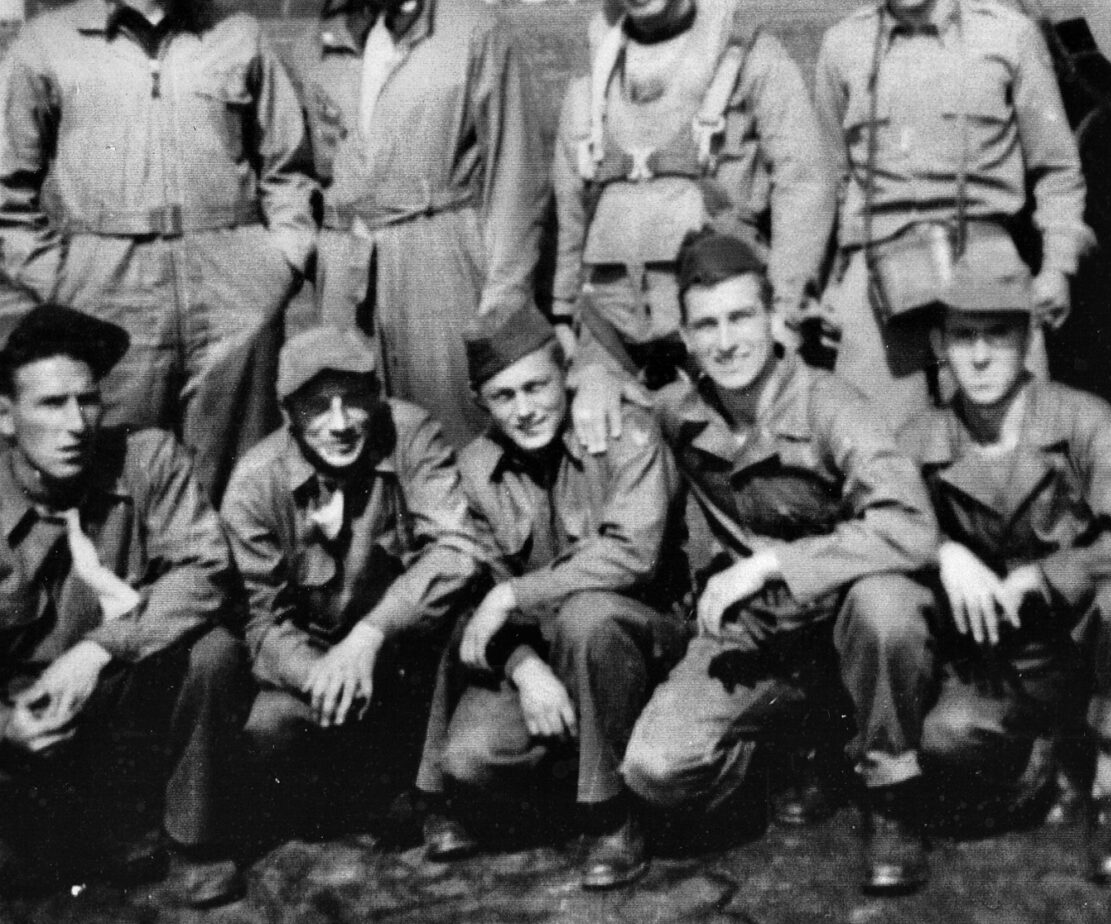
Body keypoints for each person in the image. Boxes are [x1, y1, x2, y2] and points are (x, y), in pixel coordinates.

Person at [609, 230, 940, 893]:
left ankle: (892, 798)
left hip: (841, 625)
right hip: (755, 639)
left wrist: (773, 564)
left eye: (740, 317)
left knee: (888, 607)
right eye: (707, 325)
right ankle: (795, 748)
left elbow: (912, 526)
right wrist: (595, 376)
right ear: (688, 339)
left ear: (772, 318)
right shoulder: (679, 415)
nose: (726, 341)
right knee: (654, 768)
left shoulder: (830, 405)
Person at [1, 0, 316, 502]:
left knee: (240, 478)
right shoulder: (48, 42)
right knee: (122, 475)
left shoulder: (239, 35)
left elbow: (289, 165)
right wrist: (58, 278)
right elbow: (9, 188)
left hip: (232, 282)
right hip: (105, 287)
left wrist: (278, 264)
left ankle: (241, 604)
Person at [897, 231, 1111, 884]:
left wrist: (1046, 575)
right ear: (940, 345)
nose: (979, 355)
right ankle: (1049, 751)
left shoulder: (1087, 423)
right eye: (963, 335)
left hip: (1085, 640)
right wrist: (942, 550)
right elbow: (871, 528)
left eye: (997, 334)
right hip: (997, 661)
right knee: (947, 739)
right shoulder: (919, 440)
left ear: (1027, 337)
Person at [414, 302, 690, 889]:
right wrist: (523, 665)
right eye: (504, 396)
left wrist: (517, 593)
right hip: (552, 654)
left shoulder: (624, 431)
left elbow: (633, 556)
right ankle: (589, 761)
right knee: (470, 760)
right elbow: (476, 595)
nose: (526, 409)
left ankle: (612, 816)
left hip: (648, 640)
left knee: (590, 617)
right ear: (481, 404)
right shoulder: (477, 471)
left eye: (537, 386)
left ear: (564, 376)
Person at [812, 0, 1092, 429]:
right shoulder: (842, 47)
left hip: (986, 257)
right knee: (874, 455)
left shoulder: (1008, 37)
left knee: (1023, 453)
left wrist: (1057, 266)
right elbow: (825, 181)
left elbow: (1058, 170)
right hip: (877, 269)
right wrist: (827, 287)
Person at [289, 0, 548, 449]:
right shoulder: (316, 46)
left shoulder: (473, 31)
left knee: (453, 431)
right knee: (352, 429)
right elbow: (295, 174)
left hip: (441, 260)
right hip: (347, 271)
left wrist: (502, 300)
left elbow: (517, 177)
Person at [0, 304, 249, 907]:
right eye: (50, 405)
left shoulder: (147, 458)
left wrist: (96, 650)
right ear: (5, 417)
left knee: (215, 653)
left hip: (123, 689)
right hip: (30, 720)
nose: (76, 425)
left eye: (87, 401)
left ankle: (192, 841)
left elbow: (205, 569)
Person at [553, 0, 837, 389]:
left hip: (723, 326)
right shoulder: (592, 81)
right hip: (612, 329)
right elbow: (573, 200)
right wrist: (562, 310)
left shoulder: (750, 59)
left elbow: (805, 182)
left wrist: (785, 309)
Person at [220, 325, 483, 839]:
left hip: (405, 653)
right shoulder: (255, 485)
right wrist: (325, 674)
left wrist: (371, 635)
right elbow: (259, 619)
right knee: (266, 730)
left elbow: (457, 550)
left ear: (376, 397)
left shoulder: (412, 434)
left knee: (459, 615)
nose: (339, 424)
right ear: (288, 414)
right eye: (317, 407)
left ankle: (435, 799)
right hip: (317, 670)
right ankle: (350, 800)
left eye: (353, 401)